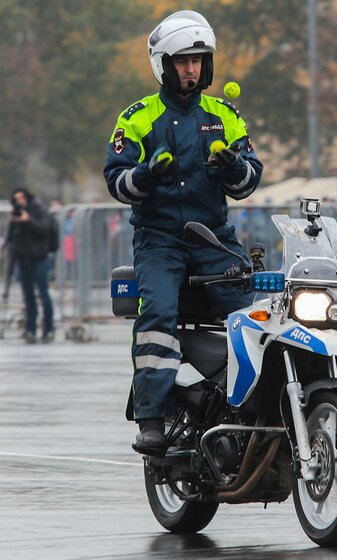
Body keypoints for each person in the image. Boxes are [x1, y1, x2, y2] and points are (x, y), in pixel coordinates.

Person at [103, 10, 264, 455]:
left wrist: (233, 167)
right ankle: (152, 418)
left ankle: (256, 408)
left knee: (255, 317)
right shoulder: (138, 118)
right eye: (182, 61)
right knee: (157, 315)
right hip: (159, 242)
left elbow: (249, 182)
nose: (191, 69)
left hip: (215, 239)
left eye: (197, 60)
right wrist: (147, 174)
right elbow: (116, 182)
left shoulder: (225, 115)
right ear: (164, 65)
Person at [6, 188, 55, 343]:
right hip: (23, 259)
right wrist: (13, 221)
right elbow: (10, 238)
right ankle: (30, 328)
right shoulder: (17, 214)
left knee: (43, 294)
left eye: (21, 198)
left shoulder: (39, 211)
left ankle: (48, 328)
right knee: (28, 296)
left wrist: (28, 220)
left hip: (39, 258)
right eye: (16, 199)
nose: (19, 202)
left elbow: (44, 229)